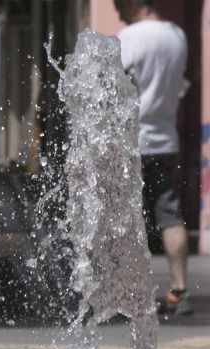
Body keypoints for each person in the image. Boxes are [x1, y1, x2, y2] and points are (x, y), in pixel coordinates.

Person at [115, 0, 193, 315]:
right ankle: (179, 290)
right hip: (165, 139)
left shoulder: (130, 37)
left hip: (132, 141)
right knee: (169, 213)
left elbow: (111, 84)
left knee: (124, 216)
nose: (120, 15)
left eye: (120, 9)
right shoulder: (177, 36)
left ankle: (125, 293)